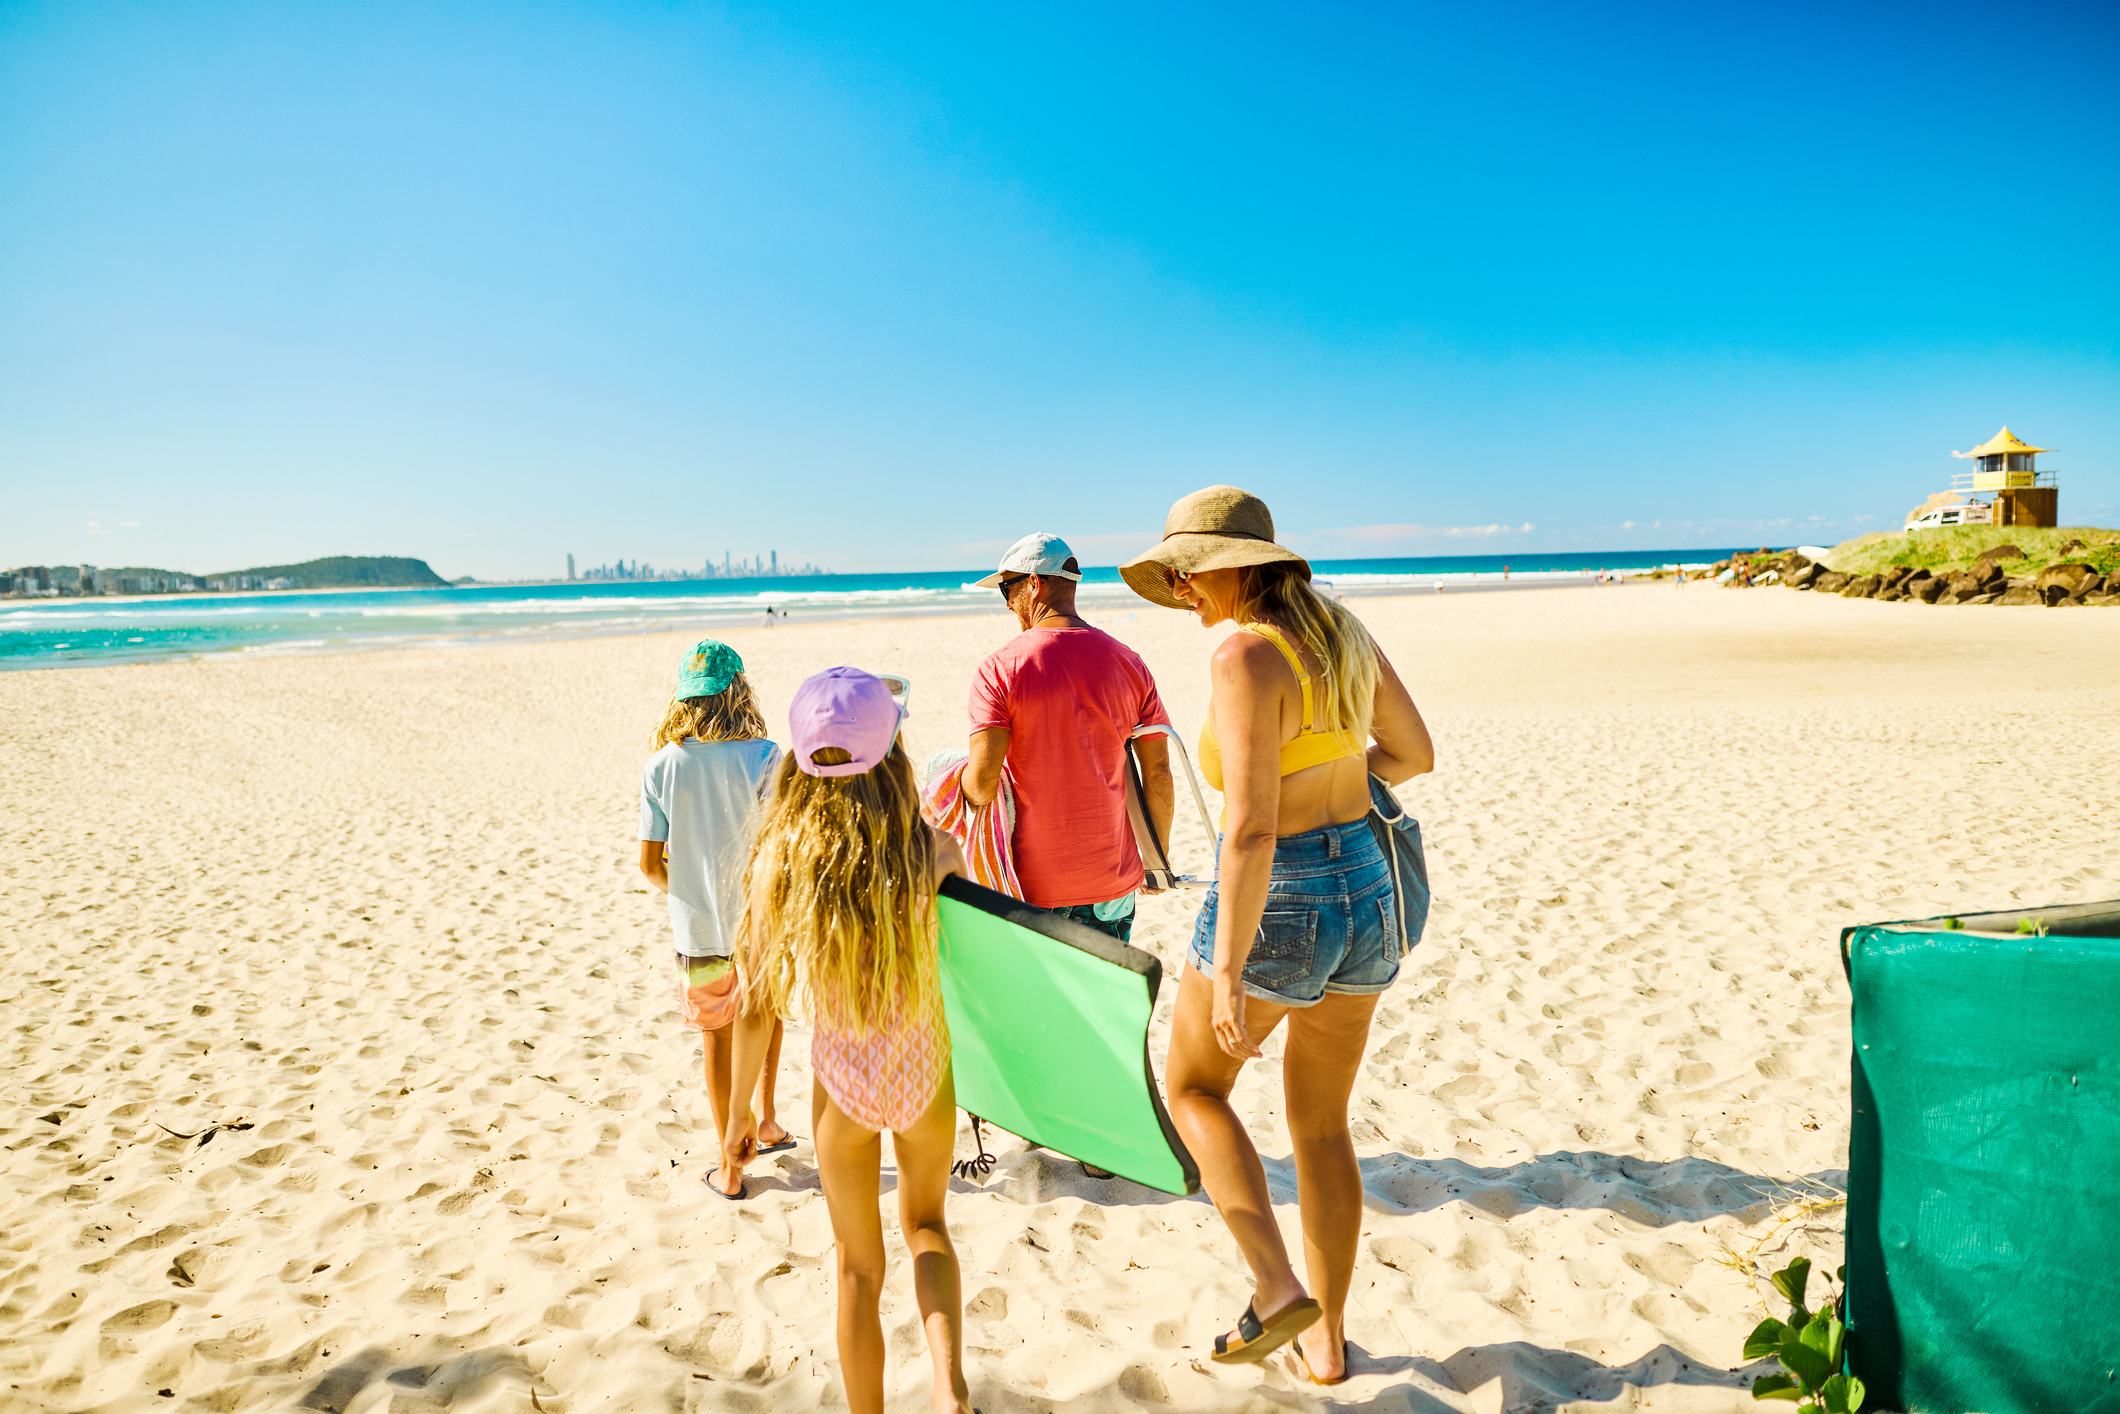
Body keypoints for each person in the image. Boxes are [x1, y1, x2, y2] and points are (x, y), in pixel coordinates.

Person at [1119, 486, 1434, 1383]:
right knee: (1322, 1125)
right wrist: (1333, 782)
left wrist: (1226, 969)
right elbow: (1413, 755)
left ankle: (1274, 1285)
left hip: (1282, 898)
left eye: (1187, 572)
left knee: (1191, 1090)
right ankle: (1326, 1342)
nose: (1182, 589)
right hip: (1369, 891)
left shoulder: (1246, 658)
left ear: (1230, 570)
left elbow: (1250, 829)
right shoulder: (1341, 636)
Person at [721, 668, 974, 1414]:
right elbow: (976, 974)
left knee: (858, 1270)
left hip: (843, 1086)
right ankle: (950, 1388)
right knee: (928, 1227)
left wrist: (739, 1113)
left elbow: (758, 1006)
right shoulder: (936, 851)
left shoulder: (784, 864)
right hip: (925, 1070)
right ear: (893, 754)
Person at [961, 532, 1174, 942]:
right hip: (1113, 881)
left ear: (1034, 583)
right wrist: (1156, 859)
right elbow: (1159, 773)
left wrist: (954, 783)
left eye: (1007, 588)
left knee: (1037, 1005)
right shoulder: (1129, 662)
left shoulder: (1000, 668)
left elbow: (983, 783)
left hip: (1033, 887)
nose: (1007, 603)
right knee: (1102, 1002)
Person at [637, 639, 792, 1198]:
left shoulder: (659, 766)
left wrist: (689, 893)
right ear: (739, 692)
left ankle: (729, 1168)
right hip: (758, 924)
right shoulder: (764, 756)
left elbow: (650, 864)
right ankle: (767, 1119)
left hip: (697, 930)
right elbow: (779, 845)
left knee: (717, 1039)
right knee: (766, 1015)